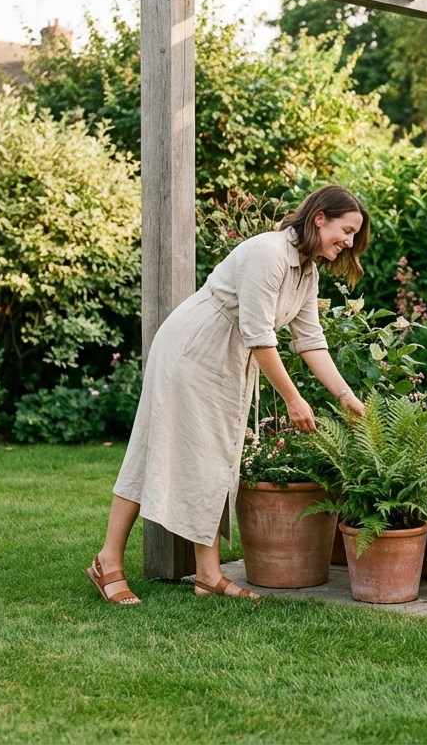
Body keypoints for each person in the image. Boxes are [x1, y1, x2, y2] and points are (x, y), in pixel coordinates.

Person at [86, 185, 370, 604]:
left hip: (229, 358)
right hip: (194, 349)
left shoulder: (305, 271)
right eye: (345, 231)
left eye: (353, 237)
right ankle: (107, 562)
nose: (348, 243)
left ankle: (208, 574)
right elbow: (260, 336)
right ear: (319, 219)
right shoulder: (269, 254)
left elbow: (310, 341)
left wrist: (347, 396)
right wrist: (293, 399)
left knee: (219, 458)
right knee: (152, 447)